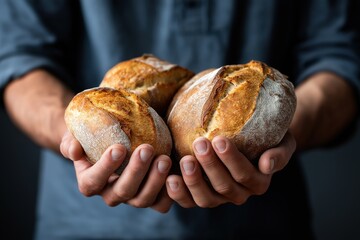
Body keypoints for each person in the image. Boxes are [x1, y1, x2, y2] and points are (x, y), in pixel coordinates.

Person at [0, 0, 359, 239]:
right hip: (87, 226)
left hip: (262, 223)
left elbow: (339, 57)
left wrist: (276, 129)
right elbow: (19, 53)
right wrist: (80, 138)